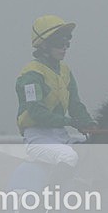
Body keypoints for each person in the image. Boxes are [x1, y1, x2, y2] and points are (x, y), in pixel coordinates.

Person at [16, 15, 96, 182]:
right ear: (44, 46)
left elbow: (75, 106)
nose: (65, 48)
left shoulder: (65, 71)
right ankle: (49, 205)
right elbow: (36, 112)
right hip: (38, 138)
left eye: (67, 44)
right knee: (68, 157)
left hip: (61, 136)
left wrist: (91, 125)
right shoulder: (31, 74)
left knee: (94, 150)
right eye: (60, 44)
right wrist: (69, 122)